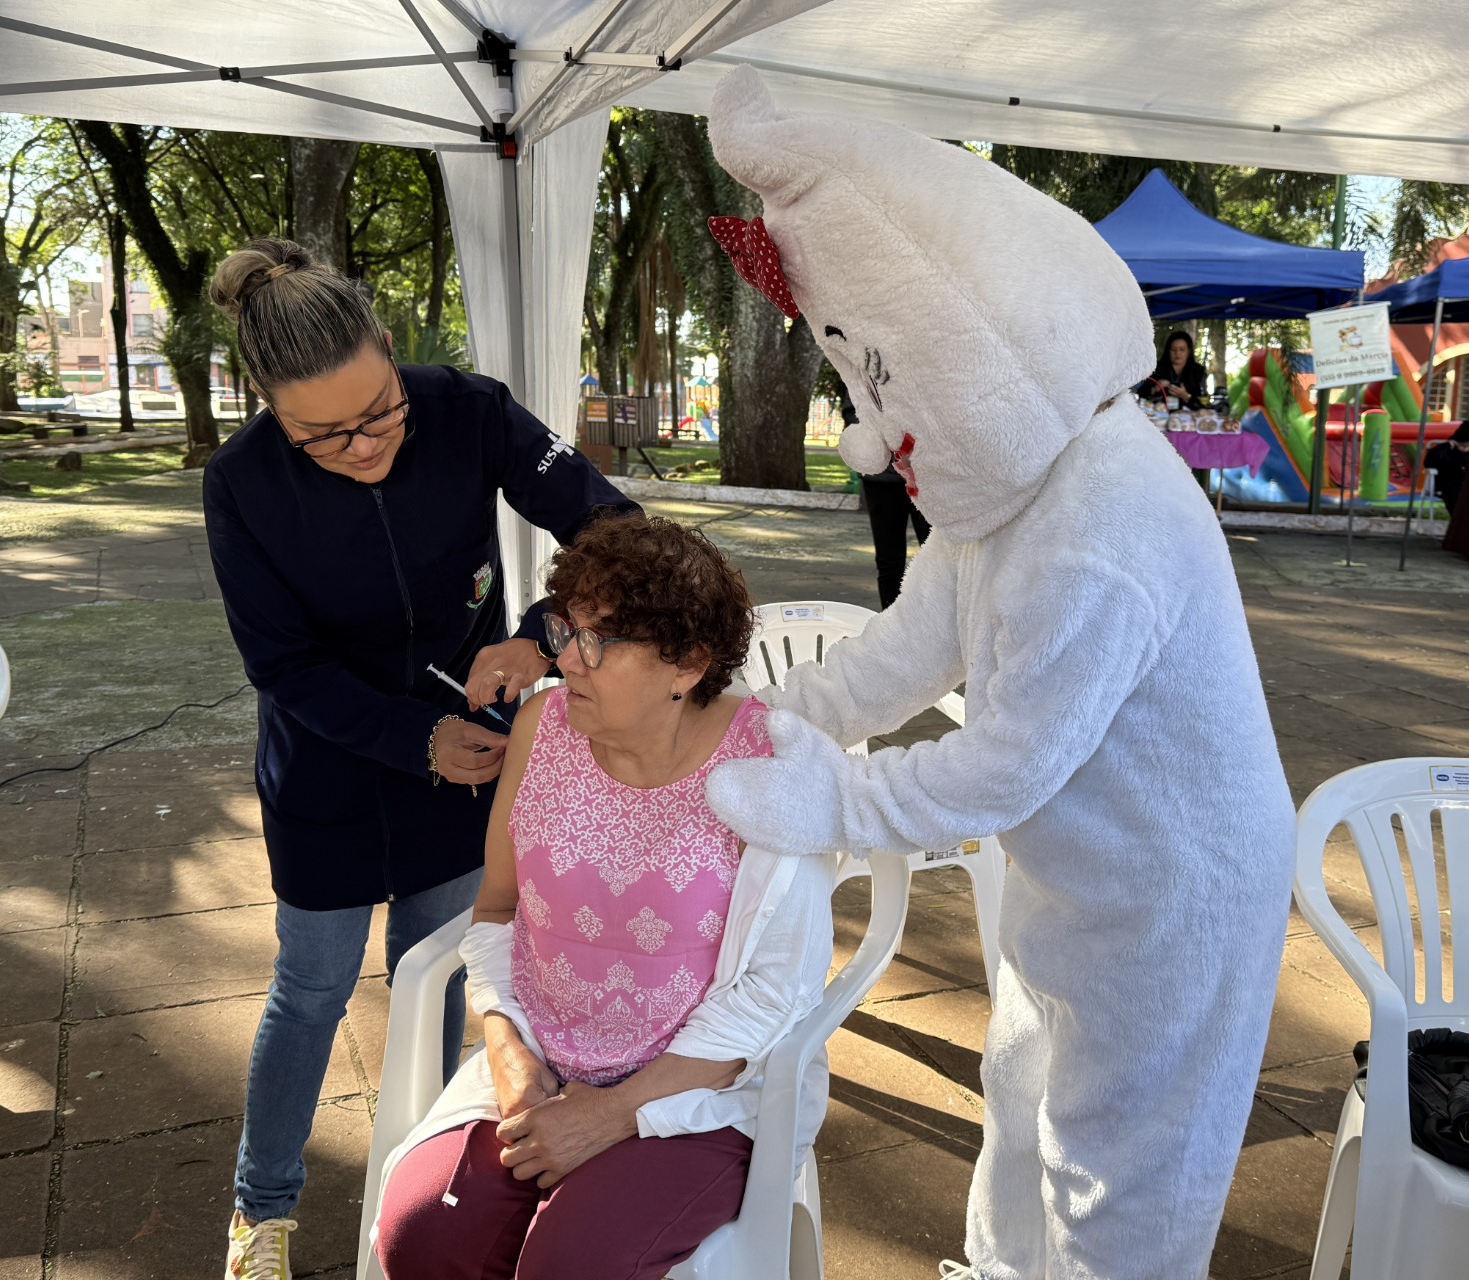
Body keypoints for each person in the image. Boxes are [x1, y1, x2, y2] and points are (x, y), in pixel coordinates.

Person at [703, 69, 1294, 1280]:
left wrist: (818, 795)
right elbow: (897, 657)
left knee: (1120, 1167)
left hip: (1175, 897)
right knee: (1021, 1090)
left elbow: (994, 769)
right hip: (1079, 866)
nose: (870, 432)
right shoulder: (990, 494)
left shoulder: (1095, 529)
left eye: (881, 384)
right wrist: (736, 721)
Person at [201, 238, 637, 1280]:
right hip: (328, 773)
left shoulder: (468, 408)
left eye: (379, 412)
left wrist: (539, 632)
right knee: (308, 989)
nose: (362, 445)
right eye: (323, 434)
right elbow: (282, 663)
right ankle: (261, 1211)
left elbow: (611, 523)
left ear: (392, 352)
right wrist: (412, 738)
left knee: (438, 976)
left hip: (468, 761)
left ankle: (421, 1175)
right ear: (265, 403)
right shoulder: (240, 485)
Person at [371, 512, 836, 1280]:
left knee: (571, 1265)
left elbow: (776, 991)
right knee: (423, 1241)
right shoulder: (540, 728)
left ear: (686, 662)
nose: (566, 661)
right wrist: (508, 1051)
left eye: (599, 640)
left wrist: (612, 1114)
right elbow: (496, 910)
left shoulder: (769, 763)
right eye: (564, 629)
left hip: (701, 1091)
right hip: (539, 1061)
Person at [842, 384, 930, 607]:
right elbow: (852, 411)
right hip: (883, 479)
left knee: (938, 558)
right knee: (889, 561)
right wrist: (881, 439)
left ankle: (939, 627)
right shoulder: (867, 361)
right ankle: (891, 626)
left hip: (929, 477)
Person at [1135, 328, 1208, 409]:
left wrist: (1186, 396)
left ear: (1189, 351)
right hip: (1159, 414)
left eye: (1182, 350)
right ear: (1168, 351)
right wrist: (1155, 388)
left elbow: (1203, 402)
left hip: (1189, 416)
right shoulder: (1156, 368)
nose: (1177, 353)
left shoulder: (1198, 371)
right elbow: (1140, 393)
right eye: (1173, 350)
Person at [1424, 418, 1469, 514]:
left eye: (1467, 445)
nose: (1464, 448)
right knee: (1453, 492)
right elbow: (1429, 463)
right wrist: (1445, 447)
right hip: (1449, 483)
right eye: (1461, 444)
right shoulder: (1445, 450)